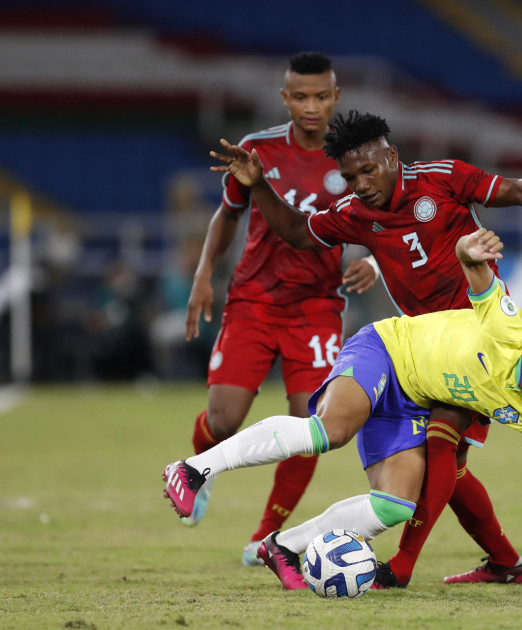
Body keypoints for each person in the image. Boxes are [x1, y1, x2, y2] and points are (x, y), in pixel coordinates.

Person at [208, 109, 522, 588]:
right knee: (450, 469)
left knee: (441, 445)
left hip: (479, 341)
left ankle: (404, 568)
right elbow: (301, 233)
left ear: (392, 155)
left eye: (368, 170)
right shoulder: (355, 212)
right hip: (419, 351)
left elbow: (513, 189)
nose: (361, 183)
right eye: (349, 177)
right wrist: (260, 186)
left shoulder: (443, 179)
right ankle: (507, 563)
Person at [163, 228, 522, 595]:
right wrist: (470, 247)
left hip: (414, 401)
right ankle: (193, 469)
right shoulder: (510, 328)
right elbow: (475, 269)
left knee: (394, 505)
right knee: (332, 431)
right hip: (386, 349)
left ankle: (281, 546)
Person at [181, 52, 378, 566]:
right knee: (224, 420)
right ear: (285, 98)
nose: (311, 106)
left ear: (336, 97)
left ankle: (266, 534)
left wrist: (373, 260)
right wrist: (204, 274)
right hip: (253, 301)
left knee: (309, 424)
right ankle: (202, 467)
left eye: (321, 96)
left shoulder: (353, 158)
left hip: (318, 307)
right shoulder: (256, 150)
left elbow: (388, 217)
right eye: (300, 96)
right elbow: (227, 215)